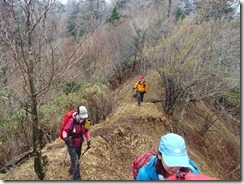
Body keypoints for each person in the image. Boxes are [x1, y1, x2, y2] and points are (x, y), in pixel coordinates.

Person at [62, 105, 92, 180]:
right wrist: (65, 138)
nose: (84, 118)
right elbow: (65, 131)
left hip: (79, 143)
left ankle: (72, 170)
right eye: (82, 116)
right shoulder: (72, 121)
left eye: (84, 116)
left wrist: (88, 141)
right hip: (71, 143)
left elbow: (86, 131)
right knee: (76, 161)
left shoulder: (85, 121)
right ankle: (77, 179)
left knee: (76, 159)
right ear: (78, 114)